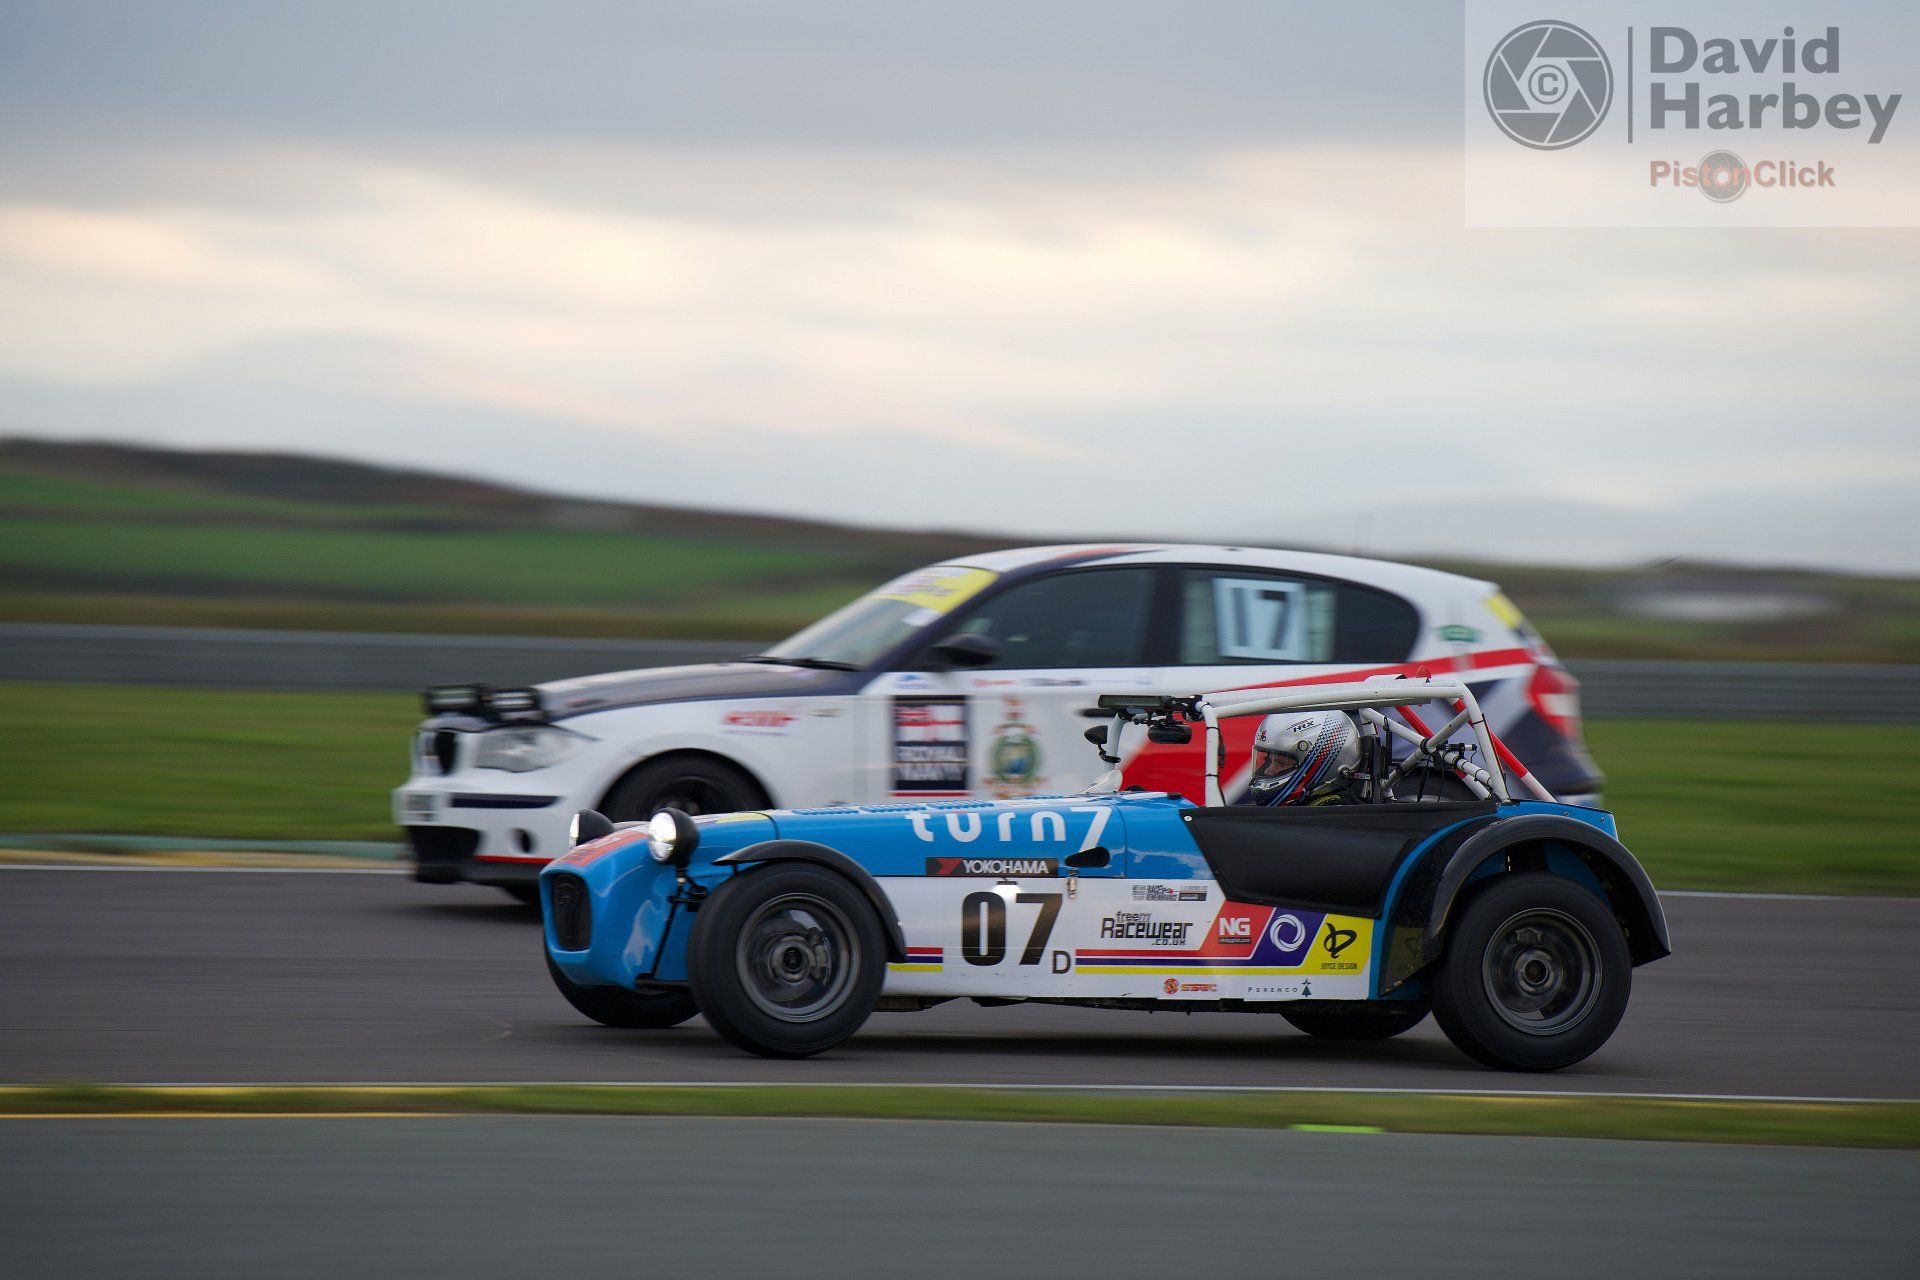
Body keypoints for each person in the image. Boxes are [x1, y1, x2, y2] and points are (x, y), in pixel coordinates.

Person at [1248, 709, 1361, 806]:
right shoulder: (1302, 811)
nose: (1268, 771)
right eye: (1268, 760)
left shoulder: (1330, 816)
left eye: (1281, 763)